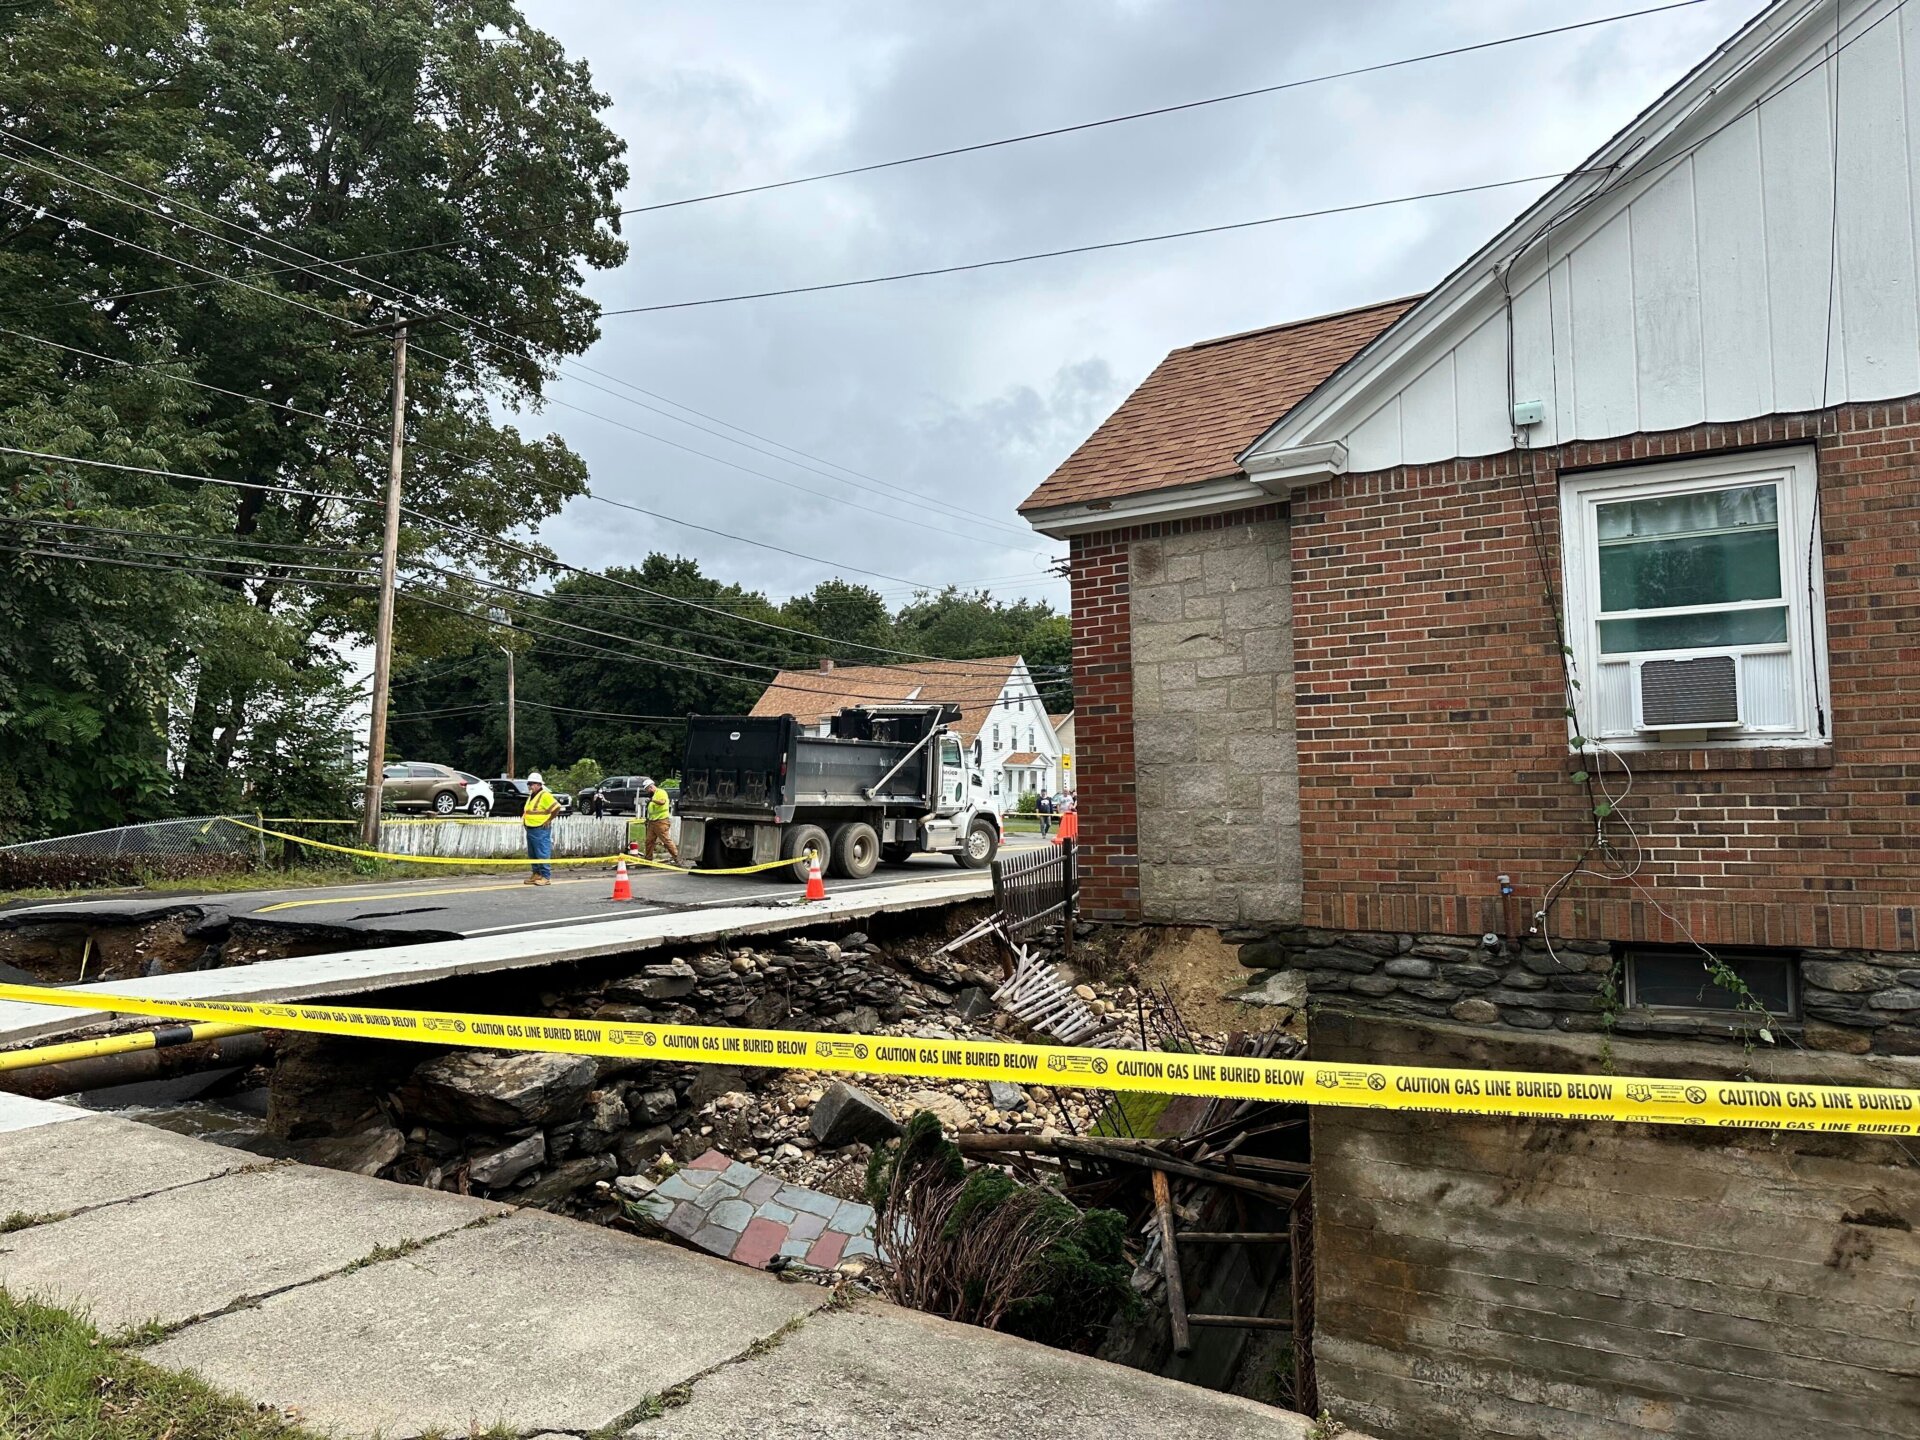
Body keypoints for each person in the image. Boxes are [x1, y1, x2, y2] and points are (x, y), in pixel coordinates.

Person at [521, 770, 559, 885]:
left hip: (540, 828)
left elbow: (557, 807)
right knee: (533, 853)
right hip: (530, 827)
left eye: (532, 784)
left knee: (542, 852)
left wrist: (549, 820)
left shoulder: (545, 795)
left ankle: (546, 877)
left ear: (539, 784)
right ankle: (536, 874)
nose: (530, 786)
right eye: (529, 784)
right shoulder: (532, 795)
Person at [638, 775, 681, 867]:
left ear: (651, 787)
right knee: (649, 841)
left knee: (666, 840)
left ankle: (678, 858)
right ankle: (648, 860)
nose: (647, 792)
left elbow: (662, 802)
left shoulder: (661, 792)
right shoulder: (653, 796)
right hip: (653, 822)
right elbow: (652, 811)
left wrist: (653, 800)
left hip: (661, 821)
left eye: (647, 790)